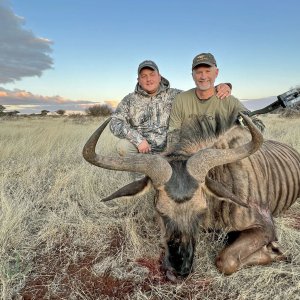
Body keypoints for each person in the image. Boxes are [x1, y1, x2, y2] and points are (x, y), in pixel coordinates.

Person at [110, 60, 232, 156]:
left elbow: (202, 94)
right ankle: (140, 177)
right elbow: (115, 122)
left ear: (159, 77)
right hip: (143, 150)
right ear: (138, 80)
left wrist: (224, 86)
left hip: (173, 149)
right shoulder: (129, 100)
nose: (148, 79)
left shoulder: (176, 95)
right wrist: (138, 140)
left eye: (152, 74)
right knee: (123, 146)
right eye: (144, 76)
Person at [167, 53, 265, 148]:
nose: (203, 76)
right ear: (192, 75)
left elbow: (258, 125)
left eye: (207, 71)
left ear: (216, 73)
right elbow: (173, 134)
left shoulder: (229, 101)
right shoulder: (181, 99)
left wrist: (234, 133)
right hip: (188, 157)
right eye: (198, 72)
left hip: (222, 157)